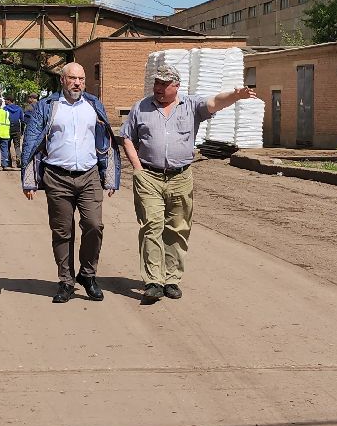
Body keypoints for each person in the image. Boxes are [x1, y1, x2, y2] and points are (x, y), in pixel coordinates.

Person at [119, 63, 258, 304]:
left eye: (164, 84)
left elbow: (215, 102)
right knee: (151, 225)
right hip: (149, 176)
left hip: (181, 177)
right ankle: (153, 281)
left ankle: (171, 279)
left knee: (177, 228)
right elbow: (127, 137)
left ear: (176, 86)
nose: (159, 88)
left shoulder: (191, 105)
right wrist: (138, 169)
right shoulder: (140, 107)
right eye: (156, 83)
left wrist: (236, 95)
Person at [19, 63, 120, 303]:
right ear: (62, 80)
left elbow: (105, 142)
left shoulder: (93, 105)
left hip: (89, 175)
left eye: (81, 79)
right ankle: (66, 281)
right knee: (62, 231)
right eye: (73, 78)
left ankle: (88, 275)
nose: (77, 83)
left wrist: (109, 176)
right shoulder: (47, 106)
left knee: (94, 226)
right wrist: (29, 179)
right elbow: (32, 141)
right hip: (57, 176)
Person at [4, 96, 27, 173]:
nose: (4, 101)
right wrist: (22, 131)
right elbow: (22, 120)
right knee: (17, 145)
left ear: (9, 101)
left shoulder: (5, 109)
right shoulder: (19, 108)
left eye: (6, 100)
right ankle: (19, 160)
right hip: (17, 128)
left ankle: (8, 162)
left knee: (7, 146)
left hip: (7, 128)